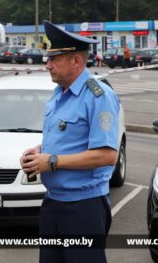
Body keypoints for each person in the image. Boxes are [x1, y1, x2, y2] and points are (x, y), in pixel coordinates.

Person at [20, 20, 119, 263]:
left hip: (83, 207)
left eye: (54, 59)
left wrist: (52, 161)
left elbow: (107, 155)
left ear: (75, 61)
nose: (47, 65)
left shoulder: (98, 96)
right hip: (53, 202)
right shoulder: (59, 94)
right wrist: (39, 152)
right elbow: (67, 140)